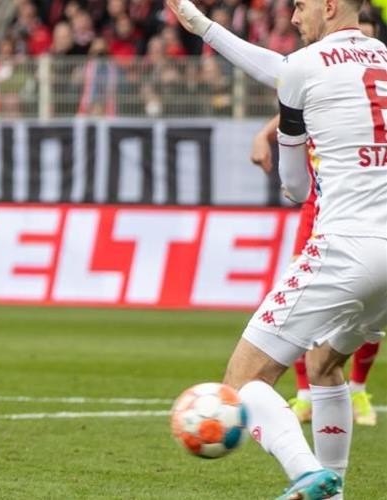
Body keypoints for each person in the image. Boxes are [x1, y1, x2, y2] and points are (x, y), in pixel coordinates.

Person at [170, 0, 387, 498]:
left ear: (329, 6)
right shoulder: (381, 56)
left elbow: (296, 187)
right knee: (324, 364)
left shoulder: (302, 67)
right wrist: (204, 28)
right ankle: (333, 493)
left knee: (242, 382)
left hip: (346, 245)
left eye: (301, 5)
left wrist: (204, 29)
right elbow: (279, 67)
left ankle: (308, 473)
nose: (292, 17)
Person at [250, 10, 381, 428]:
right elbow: (296, 94)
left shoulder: (328, 67)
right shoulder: (318, 69)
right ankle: (309, 394)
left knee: (245, 381)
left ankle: (356, 390)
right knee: (322, 335)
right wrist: (266, 132)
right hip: (325, 208)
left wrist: (200, 25)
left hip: (348, 216)